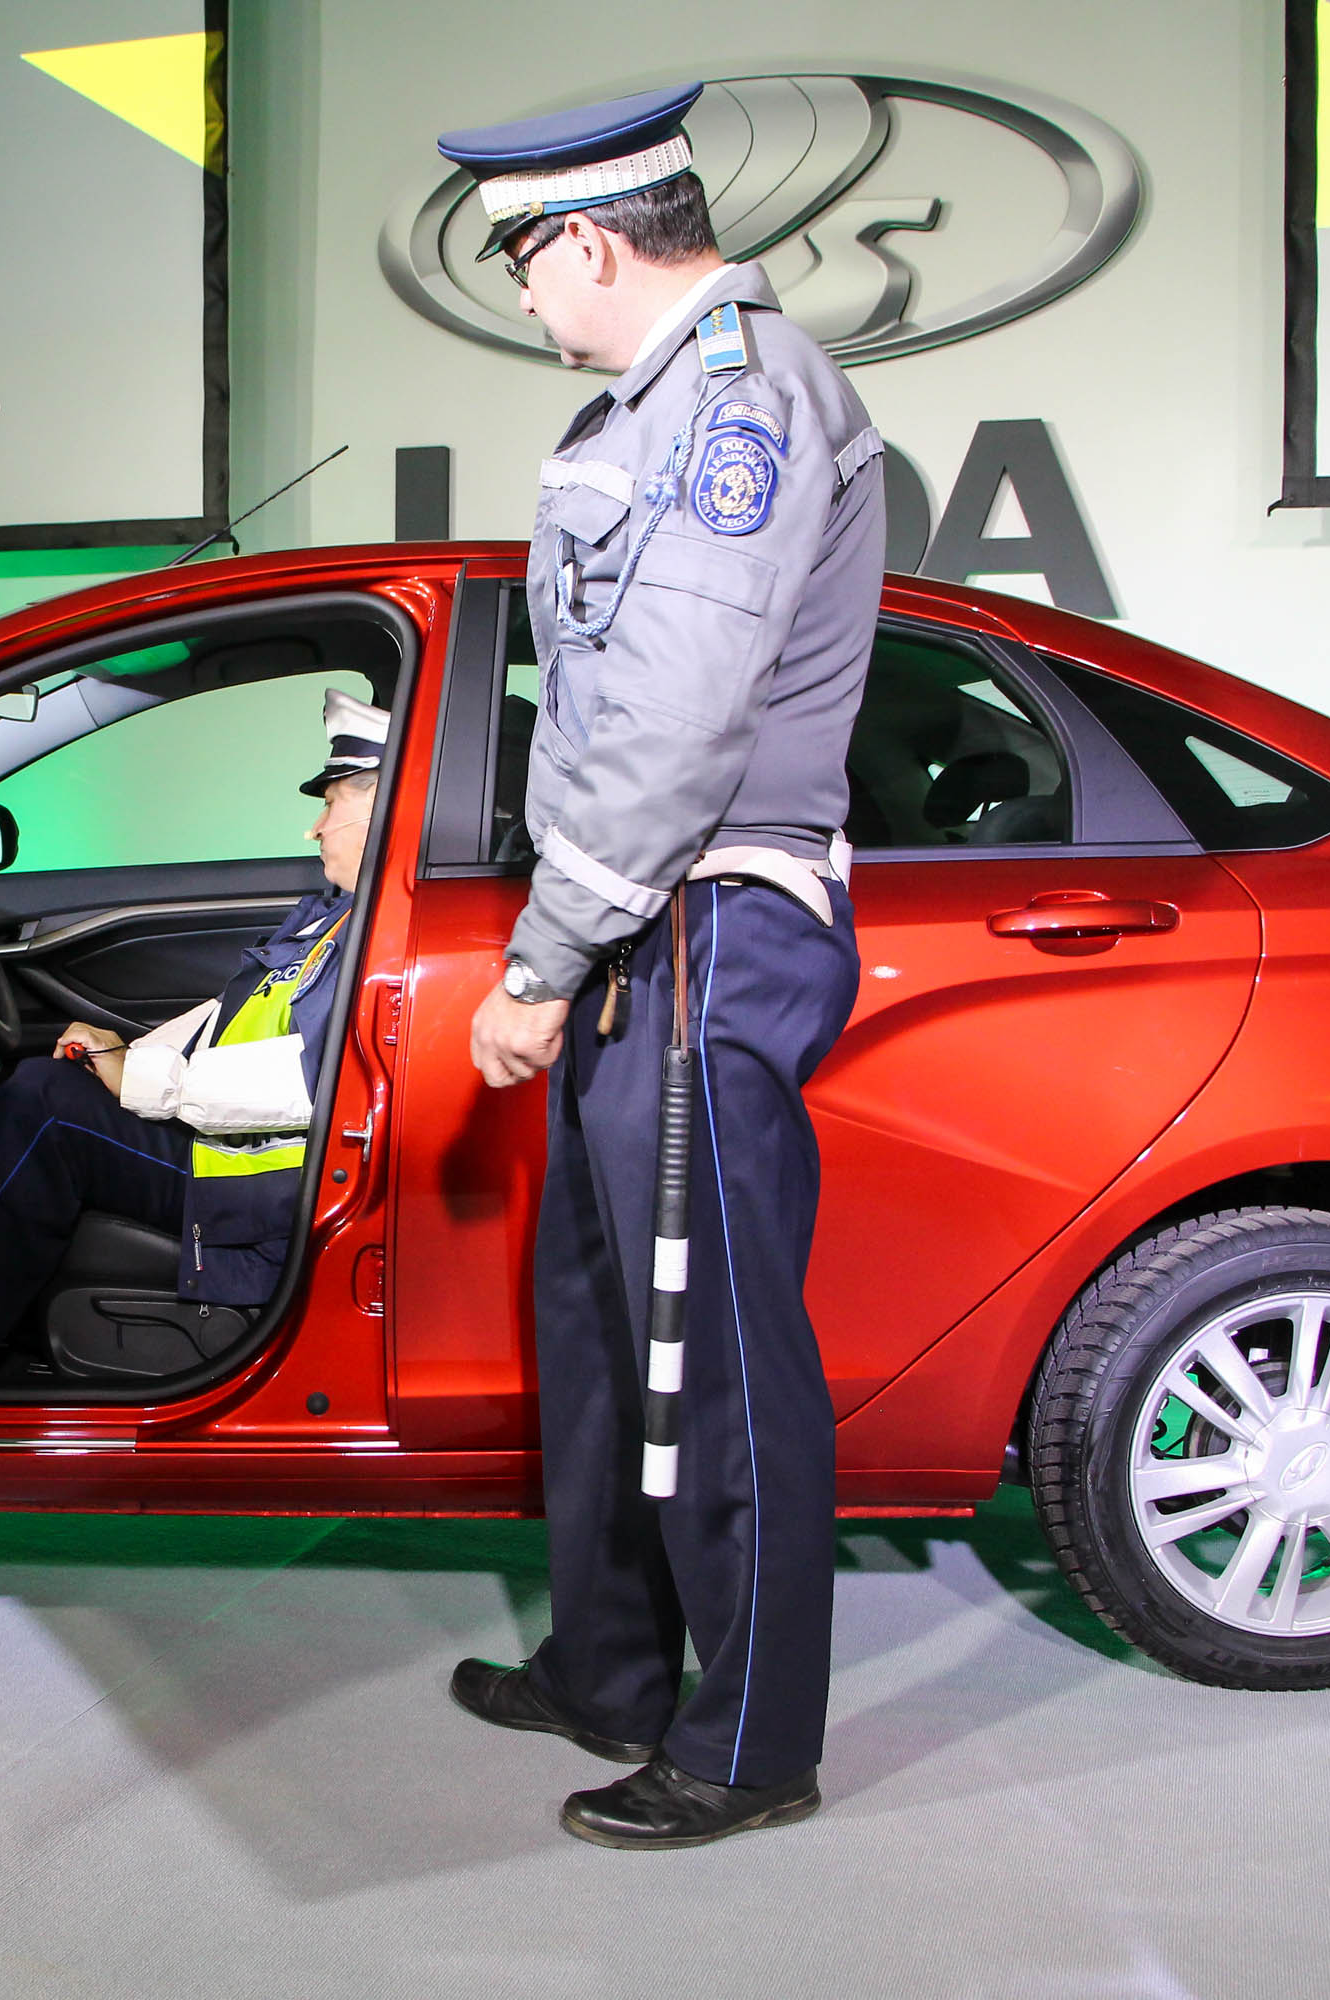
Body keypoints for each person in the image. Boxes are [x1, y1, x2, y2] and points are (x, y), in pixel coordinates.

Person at [435, 83, 885, 1848]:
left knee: (710, 1354)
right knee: (606, 1331)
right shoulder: (655, 405)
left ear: (587, 241)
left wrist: (542, 964)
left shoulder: (738, 404)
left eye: (521, 259)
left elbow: (682, 719)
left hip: (699, 918)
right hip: (649, 920)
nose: (521, 292)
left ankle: (752, 1744)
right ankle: (616, 1670)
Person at [0, 690, 387, 1375]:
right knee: (33, 1084)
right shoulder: (336, 913)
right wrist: (125, 1054)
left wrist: (146, 1081)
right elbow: (227, 1016)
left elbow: (314, 1079)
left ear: (382, 807)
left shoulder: (383, 933)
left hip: (270, 1180)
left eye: (331, 806)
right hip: (235, 1147)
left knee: (44, 1108)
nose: (314, 829)